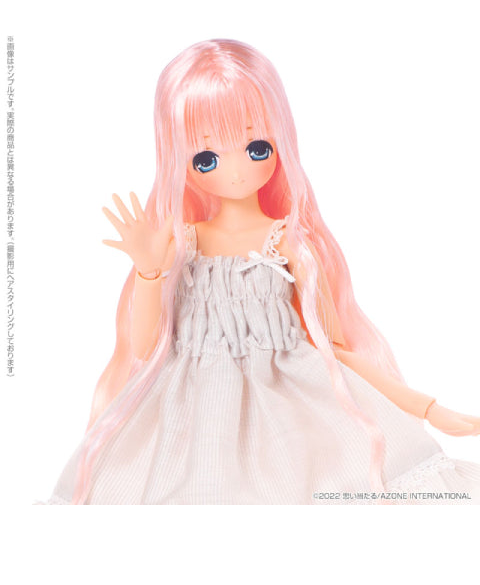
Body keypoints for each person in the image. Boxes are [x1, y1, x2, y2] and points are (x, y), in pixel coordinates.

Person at [40, 39, 480, 505]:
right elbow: (147, 349)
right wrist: (149, 272)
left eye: (255, 147)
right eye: (206, 159)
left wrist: (427, 408)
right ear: (179, 160)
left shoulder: (287, 241)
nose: (234, 172)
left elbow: (333, 350)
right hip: (189, 413)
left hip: (290, 405)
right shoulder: (181, 245)